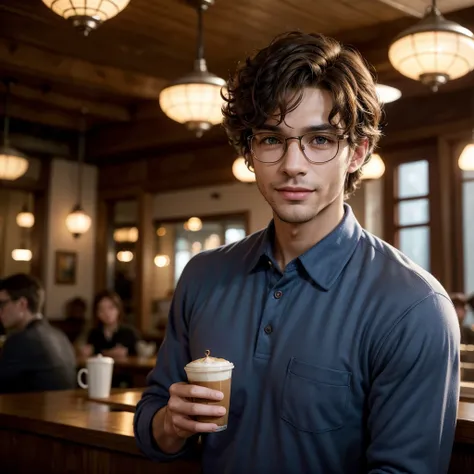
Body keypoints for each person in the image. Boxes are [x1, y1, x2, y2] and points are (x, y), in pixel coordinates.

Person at [134, 32, 460, 474]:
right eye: (272, 139)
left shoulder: (414, 306)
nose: (293, 164)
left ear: (357, 152)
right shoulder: (203, 275)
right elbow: (152, 420)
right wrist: (170, 424)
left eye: (320, 140)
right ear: (250, 149)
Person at [0, 273, 76, 393]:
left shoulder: (20, 341)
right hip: (62, 410)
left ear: (22, 304)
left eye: (2, 304)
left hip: (28, 411)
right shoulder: (60, 336)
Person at [79, 289, 139, 359]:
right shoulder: (94, 333)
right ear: (97, 313)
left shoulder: (129, 332)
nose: (107, 313)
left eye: (111, 308)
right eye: (101, 309)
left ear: (118, 309)